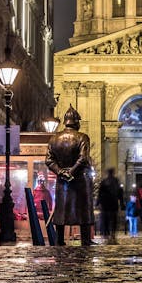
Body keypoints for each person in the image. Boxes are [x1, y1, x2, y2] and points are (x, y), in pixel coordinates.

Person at [45, 104, 94, 246]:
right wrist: (71, 171)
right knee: (83, 208)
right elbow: (83, 158)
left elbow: (48, 160)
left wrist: (61, 172)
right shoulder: (82, 137)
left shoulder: (54, 139)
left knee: (61, 209)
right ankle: (85, 240)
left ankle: (59, 240)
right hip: (79, 178)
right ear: (77, 122)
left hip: (62, 180)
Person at [96, 167, 124, 242]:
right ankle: (113, 234)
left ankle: (106, 234)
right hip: (113, 204)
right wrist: (122, 204)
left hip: (105, 204)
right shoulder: (116, 181)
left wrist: (97, 202)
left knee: (106, 220)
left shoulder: (104, 181)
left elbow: (100, 193)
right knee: (113, 220)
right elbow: (120, 193)